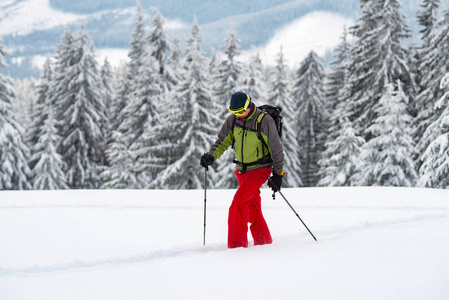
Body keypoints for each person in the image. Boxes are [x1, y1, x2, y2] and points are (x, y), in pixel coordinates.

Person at [200, 91, 285, 249]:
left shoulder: (264, 121)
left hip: (260, 170)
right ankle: (264, 242)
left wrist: (278, 174)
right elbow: (222, 142)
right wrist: (211, 156)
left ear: (249, 106)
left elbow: (277, 150)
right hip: (242, 171)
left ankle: (236, 247)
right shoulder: (233, 120)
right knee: (252, 208)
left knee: (238, 205)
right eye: (233, 111)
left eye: (240, 111)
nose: (237, 115)